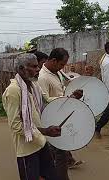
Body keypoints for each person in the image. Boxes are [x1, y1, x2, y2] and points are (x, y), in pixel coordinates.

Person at [2, 53, 61, 180]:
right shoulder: (13, 90)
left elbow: (46, 102)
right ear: (22, 69)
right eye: (33, 66)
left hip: (40, 142)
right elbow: (16, 126)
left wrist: (71, 98)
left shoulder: (33, 86)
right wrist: (45, 131)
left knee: (52, 176)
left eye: (37, 66)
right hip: (26, 149)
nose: (38, 69)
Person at [38, 48, 83, 179]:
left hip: (60, 117)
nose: (63, 67)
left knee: (59, 153)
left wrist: (71, 95)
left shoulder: (56, 72)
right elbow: (44, 100)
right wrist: (68, 99)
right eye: (62, 64)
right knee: (57, 154)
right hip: (50, 120)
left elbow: (61, 91)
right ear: (53, 60)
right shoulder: (43, 77)